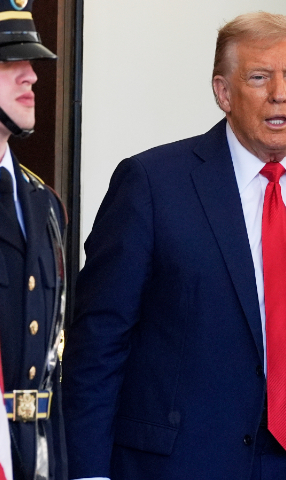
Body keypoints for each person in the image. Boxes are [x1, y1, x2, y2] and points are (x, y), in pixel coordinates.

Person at [61, 11, 286, 480]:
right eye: (258, 77)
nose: (279, 93)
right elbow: (98, 343)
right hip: (182, 462)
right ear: (223, 92)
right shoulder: (152, 183)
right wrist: (87, 472)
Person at [0, 1, 67, 479]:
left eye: (30, 62)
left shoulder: (44, 202)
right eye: (9, 61)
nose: (31, 76)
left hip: (38, 456)